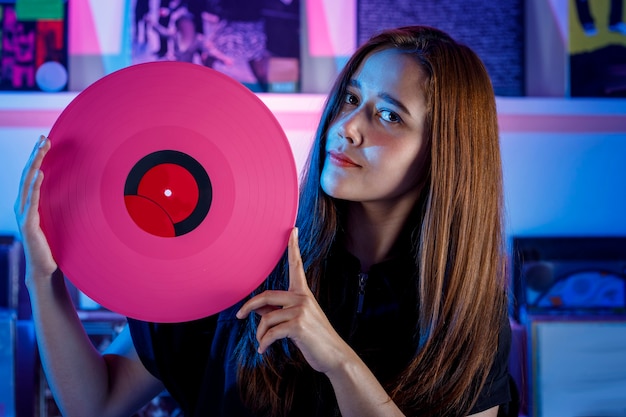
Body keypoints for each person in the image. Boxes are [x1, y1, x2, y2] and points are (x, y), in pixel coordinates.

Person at [15, 25, 518, 417]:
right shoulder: (237, 249)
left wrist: (337, 360)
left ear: (444, 154)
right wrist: (44, 277)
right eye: (350, 98)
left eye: (389, 116)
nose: (348, 128)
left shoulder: (466, 310)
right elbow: (95, 403)